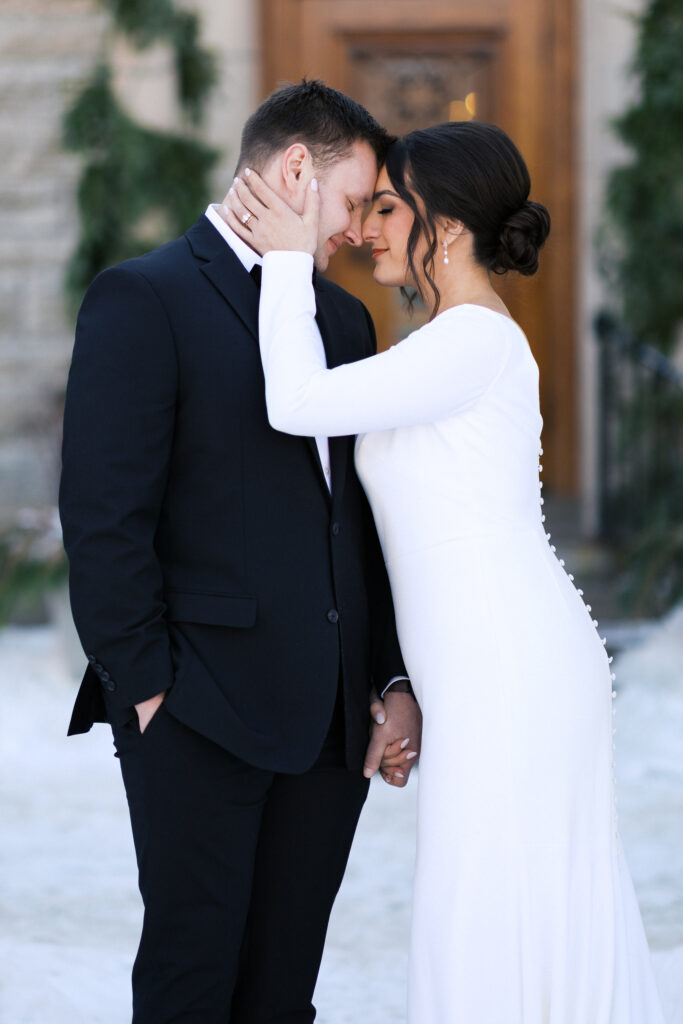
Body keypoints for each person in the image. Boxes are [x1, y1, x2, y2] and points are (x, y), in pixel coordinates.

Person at [221, 119, 667, 1022]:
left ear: (448, 229)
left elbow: (296, 400)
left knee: (485, 904)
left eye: (389, 207)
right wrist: (402, 680)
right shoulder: (440, 348)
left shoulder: (471, 343)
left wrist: (282, 257)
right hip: (477, 669)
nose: (368, 228)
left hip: (511, 669)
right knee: (484, 903)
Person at [59, 80, 422, 1024]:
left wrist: (387, 678)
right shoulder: (146, 297)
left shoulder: (343, 324)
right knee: (191, 984)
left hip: (329, 731)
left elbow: (360, 522)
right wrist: (148, 692)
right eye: (354, 201)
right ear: (296, 170)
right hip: (196, 714)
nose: (357, 229)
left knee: (281, 995)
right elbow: (103, 518)